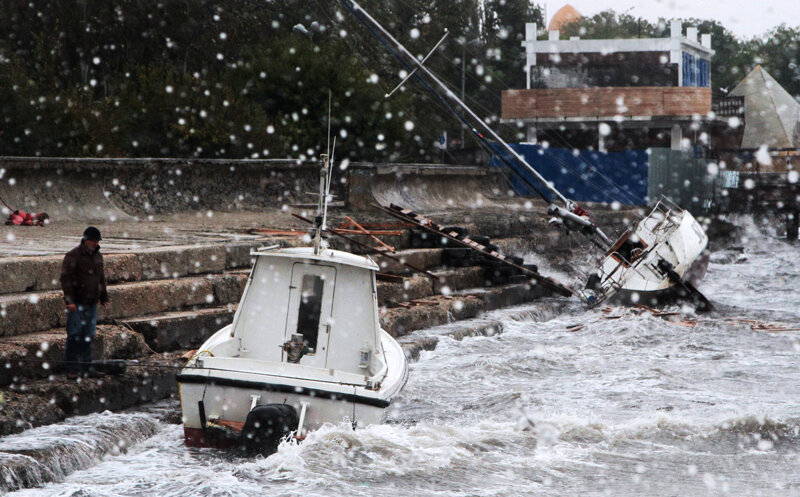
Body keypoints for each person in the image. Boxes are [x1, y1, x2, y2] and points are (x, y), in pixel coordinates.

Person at [60, 226, 111, 378]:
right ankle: (72, 369)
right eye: (93, 241)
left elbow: (100, 279)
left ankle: (87, 367)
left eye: (97, 241)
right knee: (74, 335)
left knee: (89, 336)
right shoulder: (73, 255)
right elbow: (65, 279)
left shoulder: (98, 256)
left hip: (91, 303)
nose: (95, 244)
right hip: (77, 303)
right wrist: (69, 301)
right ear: (86, 240)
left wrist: (104, 298)